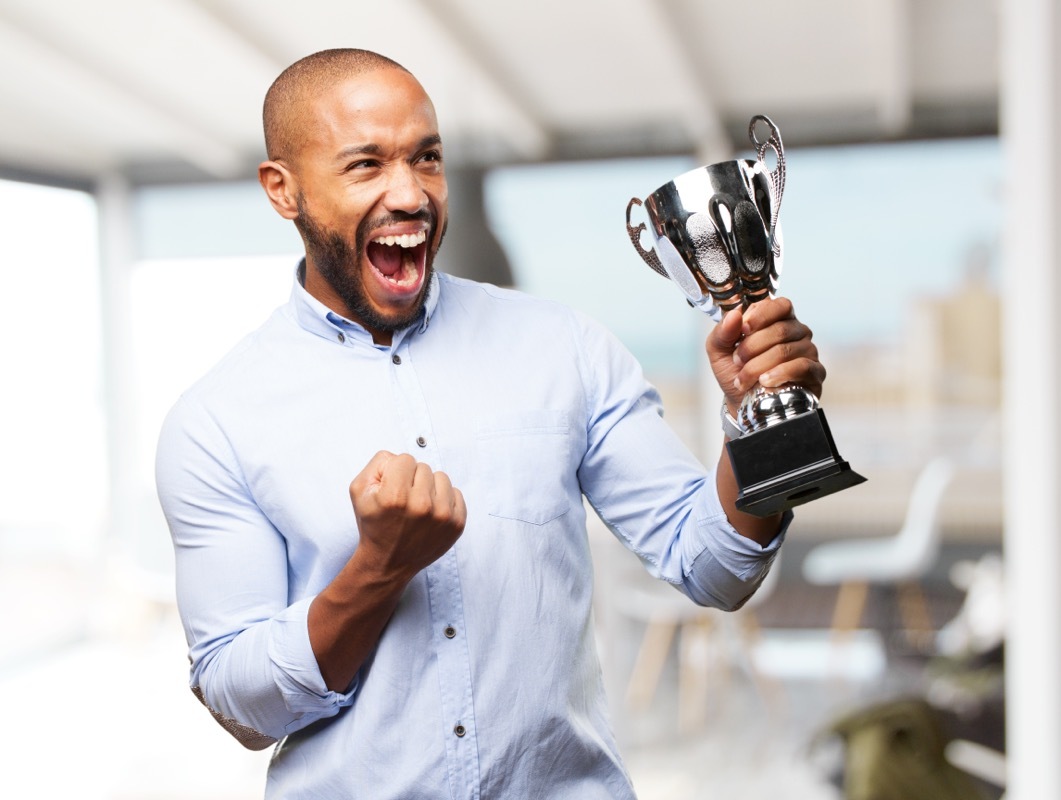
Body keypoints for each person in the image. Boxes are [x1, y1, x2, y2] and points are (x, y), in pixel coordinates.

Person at [156, 48, 826, 799]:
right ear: (283, 189)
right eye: (366, 165)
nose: (409, 193)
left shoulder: (563, 348)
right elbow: (242, 705)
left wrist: (758, 421)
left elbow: (717, 566)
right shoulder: (215, 422)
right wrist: (379, 569)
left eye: (427, 158)